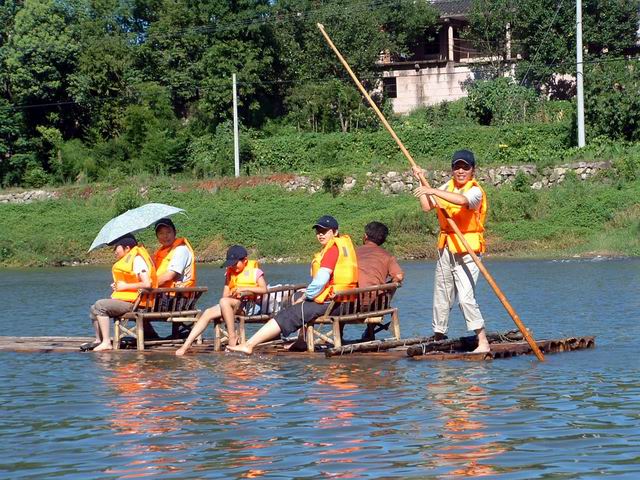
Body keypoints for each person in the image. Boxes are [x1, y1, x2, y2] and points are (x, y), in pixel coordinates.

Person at [227, 215, 358, 355]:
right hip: (344, 301)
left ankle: (249, 345)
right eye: (318, 231)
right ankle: (301, 340)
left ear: (335, 232)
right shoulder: (340, 248)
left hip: (332, 302)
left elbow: (321, 279)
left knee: (289, 313)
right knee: (297, 300)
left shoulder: (332, 251)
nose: (320, 234)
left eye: (324, 231)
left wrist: (307, 295)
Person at [412, 149, 490, 353]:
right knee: (442, 294)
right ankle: (439, 336)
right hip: (446, 248)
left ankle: (482, 341)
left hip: (467, 250)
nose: (461, 171)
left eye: (466, 167)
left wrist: (433, 191)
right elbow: (427, 206)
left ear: (473, 170)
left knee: (465, 297)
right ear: (452, 169)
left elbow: (462, 201)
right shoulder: (446, 186)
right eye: (457, 167)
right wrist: (421, 181)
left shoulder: (475, 191)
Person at [175, 245, 267, 355]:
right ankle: (186, 345)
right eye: (231, 264)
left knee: (224, 302)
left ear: (245, 261)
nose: (233, 266)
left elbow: (264, 289)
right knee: (208, 312)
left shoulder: (255, 272)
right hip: (232, 304)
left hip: (249, 305)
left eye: (235, 263)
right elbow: (225, 295)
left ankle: (232, 338)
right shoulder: (229, 273)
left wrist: (245, 289)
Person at [83, 234, 157, 352]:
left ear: (127, 248)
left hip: (137, 304)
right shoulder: (128, 260)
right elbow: (130, 282)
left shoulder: (137, 260)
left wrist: (125, 286)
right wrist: (118, 286)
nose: (114, 252)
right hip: (128, 301)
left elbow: (147, 284)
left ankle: (107, 342)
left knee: (100, 305)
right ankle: (99, 340)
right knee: (93, 308)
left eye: (116, 247)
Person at [356, 221, 404, 340]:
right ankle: (370, 330)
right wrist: (388, 286)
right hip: (376, 306)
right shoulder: (387, 256)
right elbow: (399, 276)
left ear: (365, 236)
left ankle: (339, 333)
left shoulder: (352, 253)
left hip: (348, 305)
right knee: (388, 288)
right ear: (382, 240)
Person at [153, 217, 197, 338]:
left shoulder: (180, 250)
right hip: (165, 297)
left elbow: (170, 276)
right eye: (161, 233)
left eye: (168, 232)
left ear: (175, 233)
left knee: (134, 304)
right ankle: (149, 334)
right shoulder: (161, 252)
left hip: (178, 300)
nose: (165, 236)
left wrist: (149, 285)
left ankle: (148, 334)